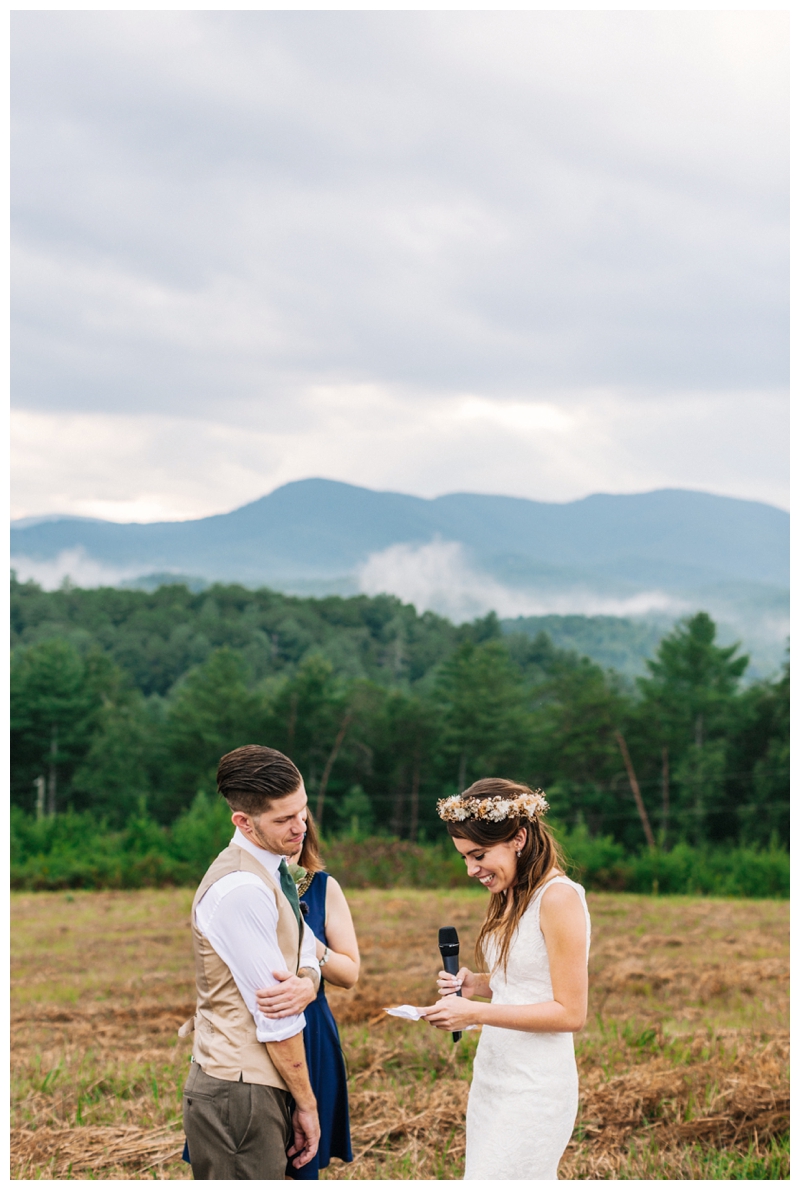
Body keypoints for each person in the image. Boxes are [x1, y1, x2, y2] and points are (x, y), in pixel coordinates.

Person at [422, 778, 591, 1181]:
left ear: (518, 838)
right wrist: (475, 985)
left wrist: (475, 1013)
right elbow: (521, 981)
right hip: (494, 1075)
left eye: (478, 854)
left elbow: (571, 1013)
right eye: (464, 857)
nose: (470, 869)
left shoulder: (558, 898)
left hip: (535, 1086)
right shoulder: (511, 894)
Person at [179, 745, 322, 1180]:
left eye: (303, 811)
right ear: (243, 821)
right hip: (240, 1091)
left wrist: (310, 982)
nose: (300, 827)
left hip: (256, 1083)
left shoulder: (273, 869)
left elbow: (308, 945)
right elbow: (275, 1017)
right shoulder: (241, 888)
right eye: (283, 819)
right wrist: (307, 1103)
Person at [256, 809, 358, 1179]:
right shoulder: (240, 886)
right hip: (253, 1027)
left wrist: (311, 944)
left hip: (310, 1028)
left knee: (299, 1160)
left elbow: (350, 973)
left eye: (298, 830)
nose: (291, 838)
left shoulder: (323, 887)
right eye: (282, 826)